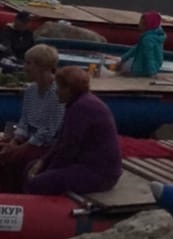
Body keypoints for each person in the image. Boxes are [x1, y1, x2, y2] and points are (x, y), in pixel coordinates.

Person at [24, 66, 123, 196]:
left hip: (98, 173)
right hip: (84, 165)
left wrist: (47, 171)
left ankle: (34, 208)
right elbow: (61, 142)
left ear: (69, 89)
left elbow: (68, 149)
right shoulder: (77, 103)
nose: (57, 92)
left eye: (59, 88)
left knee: (38, 182)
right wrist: (42, 161)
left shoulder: (82, 108)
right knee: (31, 166)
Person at [0, 44, 64, 189]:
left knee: (13, 158)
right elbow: (24, 121)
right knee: (5, 150)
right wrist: (16, 140)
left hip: (48, 145)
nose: (25, 67)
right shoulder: (30, 90)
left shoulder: (57, 94)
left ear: (42, 66)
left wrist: (20, 149)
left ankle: (17, 194)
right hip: (29, 139)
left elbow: (48, 132)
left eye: (29, 63)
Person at [117, 11, 165, 76]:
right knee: (122, 66)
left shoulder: (147, 39)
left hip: (144, 70)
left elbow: (149, 57)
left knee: (121, 73)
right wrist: (123, 58)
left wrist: (152, 73)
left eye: (141, 23)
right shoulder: (152, 36)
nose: (138, 25)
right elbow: (135, 49)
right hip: (147, 66)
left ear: (147, 25)